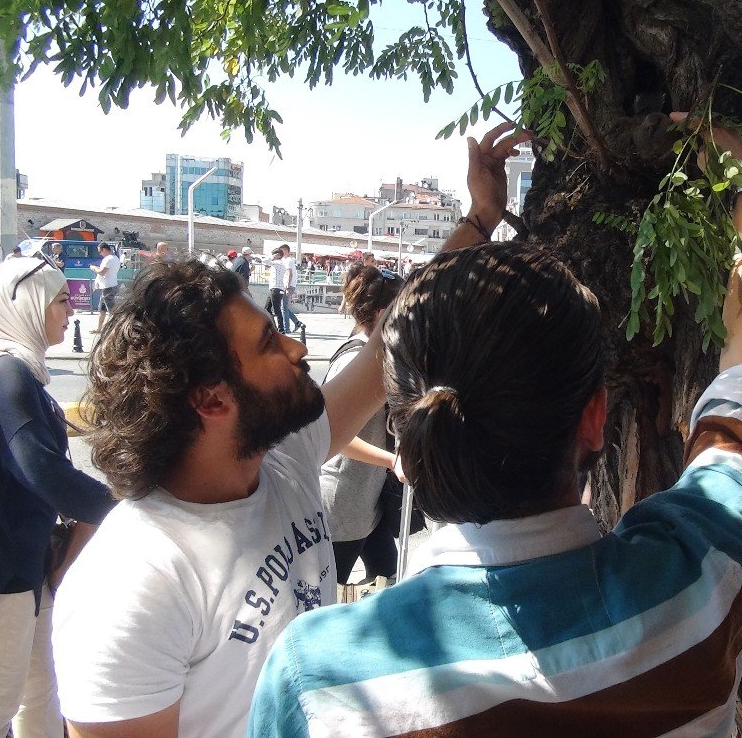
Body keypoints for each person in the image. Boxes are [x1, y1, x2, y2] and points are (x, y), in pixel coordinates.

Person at [248, 116, 742, 737]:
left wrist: (479, 221)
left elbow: (383, 354)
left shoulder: (319, 680)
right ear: (594, 416)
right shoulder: (703, 574)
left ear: (406, 422)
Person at [51, 123, 530, 738]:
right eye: (267, 344)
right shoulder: (130, 581)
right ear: (210, 399)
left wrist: (481, 218)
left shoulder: (280, 459)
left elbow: (393, 335)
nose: (297, 344)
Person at [0, 257, 115, 738]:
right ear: (26, 304)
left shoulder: (14, 369)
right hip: (6, 567)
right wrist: (124, 508)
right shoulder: (8, 372)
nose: (70, 310)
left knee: (41, 687)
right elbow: (38, 468)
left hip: (25, 560)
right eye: (60, 300)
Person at [321, 264, 405, 591]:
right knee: (327, 593)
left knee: (389, 578)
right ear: (384, 315)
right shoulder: (353, 362)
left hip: (366, 501)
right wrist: (392, 461)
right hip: (343, 508)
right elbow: (333, 435)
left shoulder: (376, 359)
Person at [90, 242, 120, 334]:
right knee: (102, 309)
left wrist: (94, 268)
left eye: (100, 252)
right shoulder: (115, 258)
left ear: (104, 249)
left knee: (111, 310)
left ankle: (117, 329)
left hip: (108, 287)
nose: (100, 254)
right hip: (109, 285)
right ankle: (99, 328)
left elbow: (102, 272)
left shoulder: (108, 259)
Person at [279, 244, 303, 333]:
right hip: (287, 285)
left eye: (283, 251)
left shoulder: (288, 261)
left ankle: (286, 328)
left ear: (287, 251)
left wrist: (288, 287)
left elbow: (289, 274)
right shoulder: (284, 260)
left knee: (284, 307)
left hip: (288, 286)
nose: (281, 252)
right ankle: (297, 323)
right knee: (284, 307)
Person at [267, 247, 288, 333]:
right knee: (267, 309)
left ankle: (281, 330)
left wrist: (272, 257)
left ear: (277, 255)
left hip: (276, 288)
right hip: (275, 288)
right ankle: (274, 328)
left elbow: (265, 261)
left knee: (276, 310)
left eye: (274, 254)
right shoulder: (279, 263)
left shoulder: (278, 263)